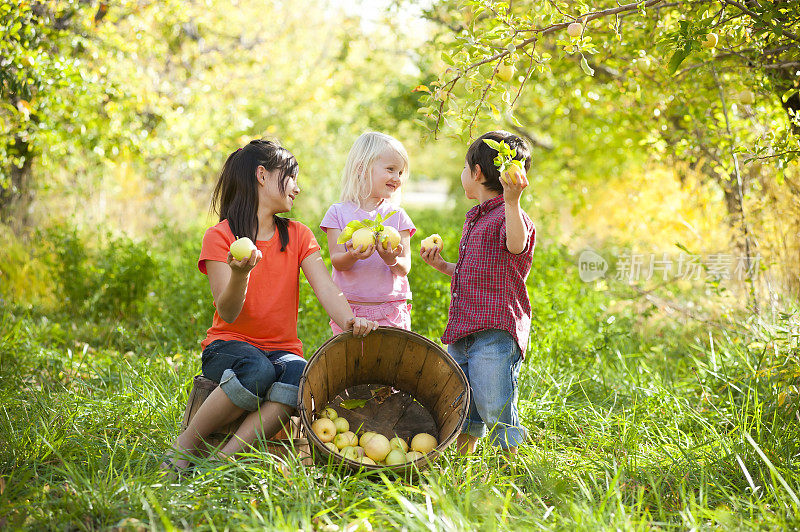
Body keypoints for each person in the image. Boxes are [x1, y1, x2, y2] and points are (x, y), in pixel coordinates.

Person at [162, 139, 378, 475]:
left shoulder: (298, 235)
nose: (298, 188)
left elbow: (326, 288)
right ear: (262, 175)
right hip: (227, 347)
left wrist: (350, 319)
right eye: (291, 177)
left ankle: (223, 461)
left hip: (280, 350)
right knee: (258, 369)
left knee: (299, 374)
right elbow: (228, 311)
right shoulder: (220, 237)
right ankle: (184, 446)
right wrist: (240, 274)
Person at [420, 130, 534, 456]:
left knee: (493, 402)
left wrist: (513, 202)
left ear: (477, 173)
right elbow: (475, 272)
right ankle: (461, 461)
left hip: (494, 331)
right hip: (464, 329)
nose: (462, 174)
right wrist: (443, 266)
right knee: (463, 400)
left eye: (464, 167)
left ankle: (515, 465)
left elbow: (516, 244)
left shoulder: (511, 216)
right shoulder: (477, 218)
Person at [320, 132, 416, 333]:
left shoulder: (397, 216)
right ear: (362, 168)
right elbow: (337, 261)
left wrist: (390, 259)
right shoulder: (337, 213)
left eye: (400, 172)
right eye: (391, 169)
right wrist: (353, 255)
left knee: (391, 363)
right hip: (349, 310)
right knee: (351, 363)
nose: (397, 178)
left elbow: (404, 267)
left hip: (391, 310)